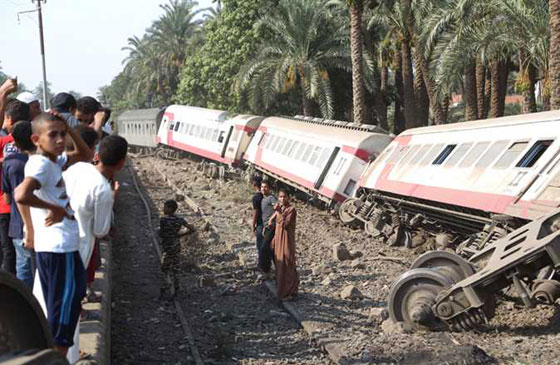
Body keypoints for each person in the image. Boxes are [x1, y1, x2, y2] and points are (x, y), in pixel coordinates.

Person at [15, 112, 93, 355]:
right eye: (54, 135)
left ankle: (54, 355)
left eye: (62, 134)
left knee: (68, 300)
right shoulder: (40, 165)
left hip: (59, 245)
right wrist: (55, 208)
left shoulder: (52, 161)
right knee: (64, 311)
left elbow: (85, 155)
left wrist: (70, 130)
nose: (60, 140)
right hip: (59, 246)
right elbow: (21, 194)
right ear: (36, 139)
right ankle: (56, 359)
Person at [63, 135, 127, 363]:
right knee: (70, 306)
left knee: (56, 301)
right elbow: (101, 231)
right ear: (121, 162)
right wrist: (112, 198)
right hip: (78, 248)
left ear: (98, 154)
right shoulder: (103, 190)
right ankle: (69, 356)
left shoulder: (77, 168)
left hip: (57, 240)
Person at [2, 121, 35, 288]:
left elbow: (8, 198)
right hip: (44, 225)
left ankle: (27, 309)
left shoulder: (10, 163)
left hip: (17, 225)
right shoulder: (44, 161)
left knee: (23, 268)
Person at [0, 99, 29, 274]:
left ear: (9, 119)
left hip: (5, 205)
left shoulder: (4, 142)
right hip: (21, 210)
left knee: (8, 251)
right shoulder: (36, 143)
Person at [159, 199, 195, 298]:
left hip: (168, 247)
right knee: (175, 268)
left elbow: (162, 233)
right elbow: (192, 229)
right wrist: (181, 235)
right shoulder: (180, 220)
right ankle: (176, 289)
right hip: (176, 245)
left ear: (170, 209)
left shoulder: (163, 220)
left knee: (164, 268)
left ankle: (164, 289)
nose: (163, 209)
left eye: (165, 207)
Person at [269, 189, 299, 300]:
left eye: (284, 197)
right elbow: (275, 221)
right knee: (280, 264)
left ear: (288, 197)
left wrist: (279, 213)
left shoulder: (291, 209)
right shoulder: (280, 208)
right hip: (279, 240)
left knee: (288, 263)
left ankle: (290, 291)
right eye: (280, 197)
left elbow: (286, 224)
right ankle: (282, 291)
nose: (282, 199)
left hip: (287, 240)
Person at [259, 180, 277, 279]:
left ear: (269, 188)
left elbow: (278, 209)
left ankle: (266, 272)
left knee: (264, 248)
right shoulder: (263, 199)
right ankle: (276, 270)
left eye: (265, 187)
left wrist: (271, 219)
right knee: (270, 250)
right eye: (262, 187)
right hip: (267, 228)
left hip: (272, 227)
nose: (263, 189)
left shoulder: (271, 198)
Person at [251, 175, 264, 267]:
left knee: (260, 244)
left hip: (260, 223)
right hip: (268, 223)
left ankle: (261, 264)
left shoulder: (256, 197)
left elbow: (256, 211)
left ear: (254, 184)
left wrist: (253, 225)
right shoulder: (266, 196)